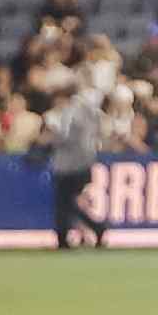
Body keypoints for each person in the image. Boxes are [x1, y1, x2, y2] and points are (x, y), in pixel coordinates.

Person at [47, 84, 108, 247]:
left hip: (68, 165)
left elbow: (65, 136)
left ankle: (68, 237)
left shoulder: (70, 113)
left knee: (64, 203)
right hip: (84, 163)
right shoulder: (91, 114)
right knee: (67, 203)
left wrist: (50, 139)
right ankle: (91, 229)